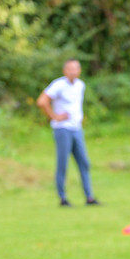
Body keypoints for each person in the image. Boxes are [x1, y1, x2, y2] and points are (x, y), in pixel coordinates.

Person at [36, 59, 99, 207]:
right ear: (65, 71)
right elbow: (41, 101)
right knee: (63, 163)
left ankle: (89, 197)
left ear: (80, 70)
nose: (73, 72)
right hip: (62, 129)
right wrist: (55, 116)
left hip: (76, 128)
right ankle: (63, 198)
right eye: (70, 69)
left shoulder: (80, 85)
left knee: (84, 162)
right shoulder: (58, 85)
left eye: (76, 69)